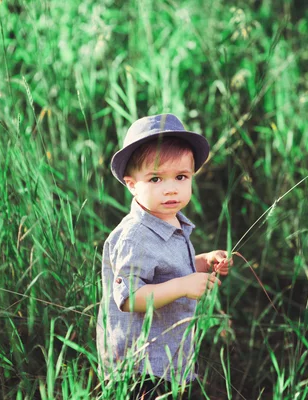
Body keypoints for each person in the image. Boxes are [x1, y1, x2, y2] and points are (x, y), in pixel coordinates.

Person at [96, 114, 232, 399]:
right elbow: (130, 297)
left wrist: (202, 262)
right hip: (141, 366)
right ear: (132, 184)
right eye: (156, 178)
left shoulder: (171, 221)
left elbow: (165, 268)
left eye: (181, 177)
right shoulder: (135, 235)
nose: (171, 188)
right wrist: (183, 286)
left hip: (169, 356)